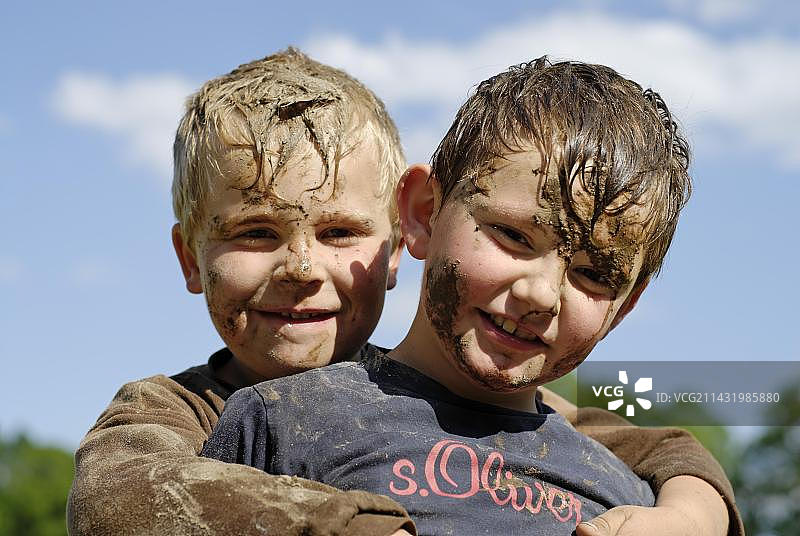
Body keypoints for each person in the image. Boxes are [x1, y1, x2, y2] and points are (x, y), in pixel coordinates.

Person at [67, 50, 742, 536]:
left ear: (396, 239)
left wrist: (692, 513)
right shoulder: (200, 414)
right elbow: (115, 496)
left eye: (338, 232)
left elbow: (660, 447)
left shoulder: (549, 424)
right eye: (254, 234)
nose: (300, 266)